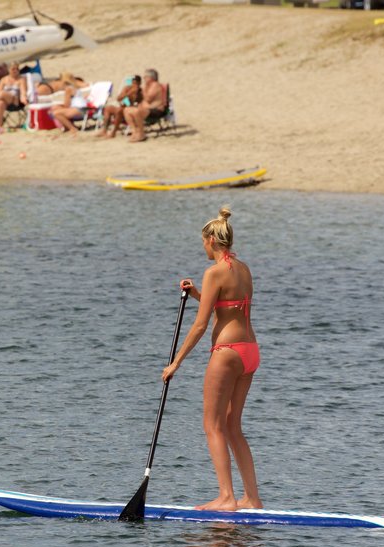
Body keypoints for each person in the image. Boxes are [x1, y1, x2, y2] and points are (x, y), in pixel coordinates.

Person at [161, 206, 262, 512]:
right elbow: (225, 306)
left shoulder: (214, 271)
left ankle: (227, 498)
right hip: (250, 351)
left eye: (203, 242)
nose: (202, 247)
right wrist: (196, 294)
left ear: (210, 240)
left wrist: (176, 362)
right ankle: (252, 499)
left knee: (213, 425)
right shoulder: (243, 268)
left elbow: (202, 324)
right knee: (233, 426)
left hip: (226, 353)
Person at [122, 68, 165, 143]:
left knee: (136, 111)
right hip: (146, 109)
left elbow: (148, 99)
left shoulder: (155, 85)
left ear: (151, 78)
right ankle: (135, 131)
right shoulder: (148, 86)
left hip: (156, 110)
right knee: (126, 110)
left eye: (145, 77)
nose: (144, 79)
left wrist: (142, 90)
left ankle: (141, 134)